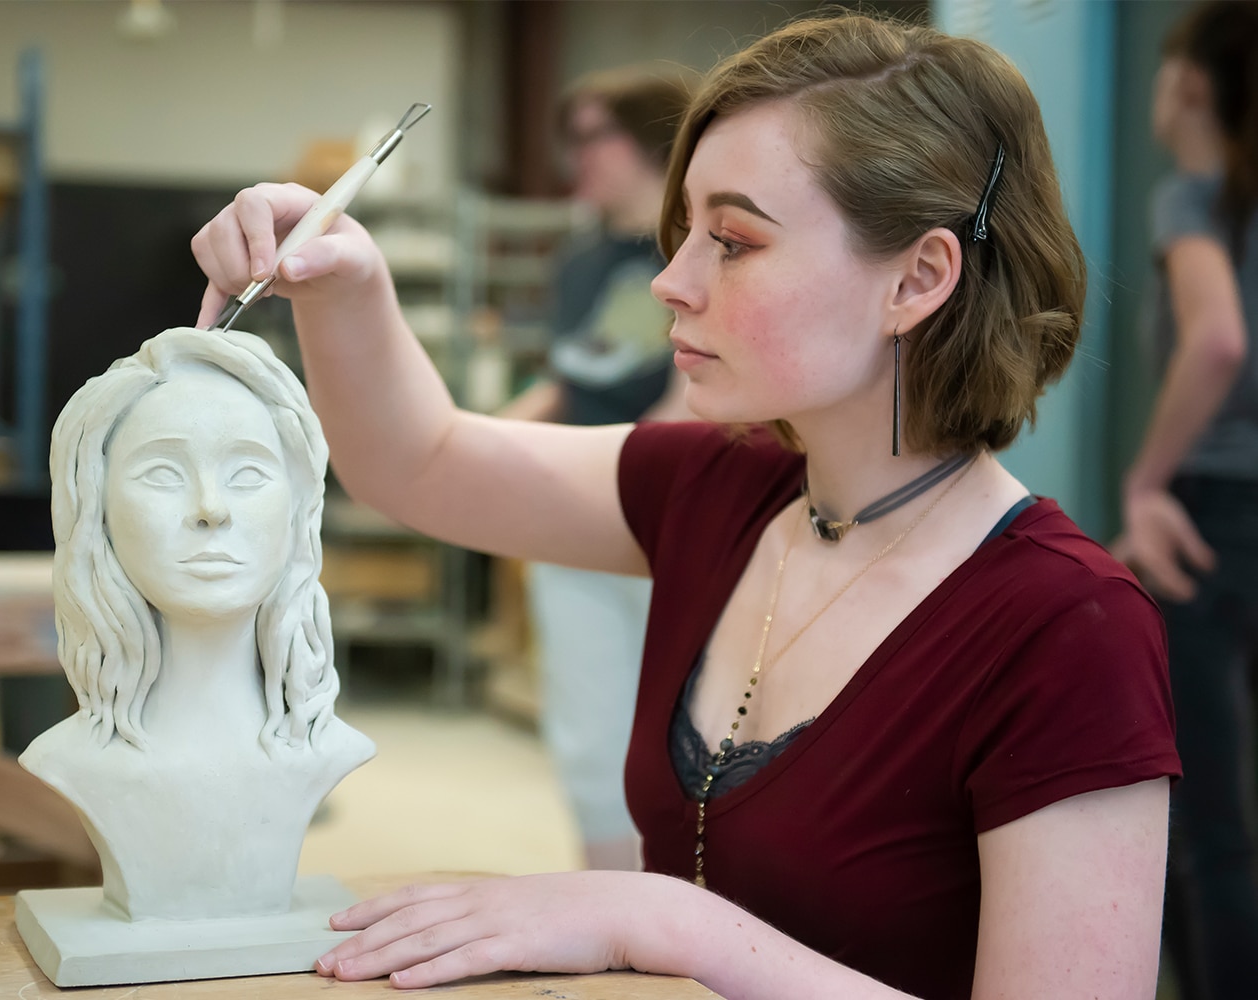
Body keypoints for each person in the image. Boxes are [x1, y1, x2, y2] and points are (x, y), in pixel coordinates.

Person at [192, 13, 1178, 999]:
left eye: (734, 241)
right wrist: (344, 281)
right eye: (685, 233)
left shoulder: (1067, 627)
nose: (671, 281)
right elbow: (421, 462)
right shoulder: (719, 487)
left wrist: (656, 915)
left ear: (917, 279)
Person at [23, 327, 373, 920]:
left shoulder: (323, 747)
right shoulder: (72, 760)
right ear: (95, 509)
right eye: (163, 473)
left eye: (248, 474)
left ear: (297, 508)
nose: (212, 508)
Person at [497, 65, 691, 872]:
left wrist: (620, 475)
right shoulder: (577, 264)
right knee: (587, 724)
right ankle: (611, 896)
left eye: (592, 136)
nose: (575, 155)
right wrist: (472, 447)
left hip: (668, 508)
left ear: (647, 140)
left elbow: (696, 396)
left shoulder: (697, 246)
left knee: (686, 725)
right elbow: (569, 380)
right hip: (577, 510)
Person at [1112, 3, 1258, 997]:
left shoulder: (1195, 201)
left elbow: (1216, 339)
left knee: (1208, 823)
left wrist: (1146, 479)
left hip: (1212, 517)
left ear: (1192, 88)